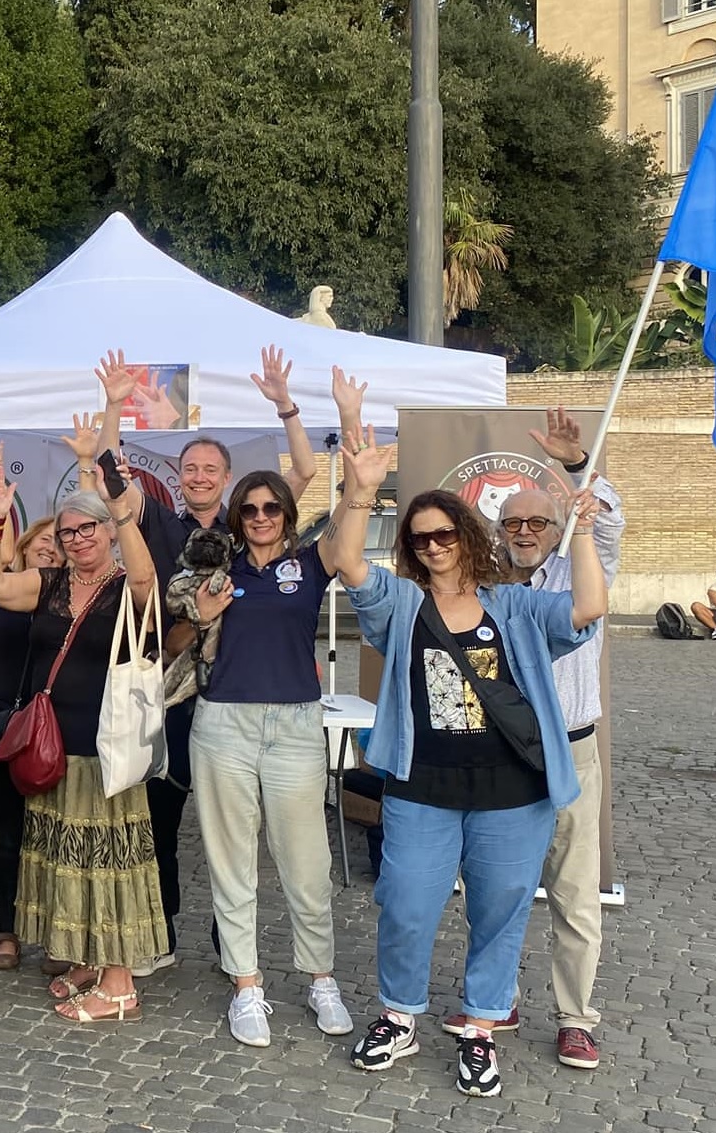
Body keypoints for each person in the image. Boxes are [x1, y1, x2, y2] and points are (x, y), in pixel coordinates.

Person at [329, 431, 607, 1098]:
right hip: (422, 787)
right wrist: (361, 492)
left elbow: (587, 608)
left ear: (466, 536)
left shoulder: (511, 605)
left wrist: (584, 532)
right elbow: (344, 560)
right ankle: (398, 1015)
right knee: (404, 904)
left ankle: (480, 1028)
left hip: (511, 792)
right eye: (419, 537)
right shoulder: (400, 603)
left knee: (501, 910)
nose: (431, 545)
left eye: (442, 534)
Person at [120, 346, 360, 969]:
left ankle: (240, 950)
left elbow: (303, 470)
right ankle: (163, 935)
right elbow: (164, 621)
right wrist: (111, 412)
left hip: (255, 701)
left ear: (228, 480)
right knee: (166, 818)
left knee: (266, 837)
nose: (200, 477)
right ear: (178, 474)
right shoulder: (163, 526)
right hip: (184, 695)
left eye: (211, 469)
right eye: (191, 468)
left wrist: (285, 406)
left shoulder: (251, 531)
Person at [184, 361, 369, 1047]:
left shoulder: (313, 561)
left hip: (293, 721)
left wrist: (325, 415)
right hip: (223, 723)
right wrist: (201, 616)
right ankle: (246, 985)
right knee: (231, 860)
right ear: (237, 519)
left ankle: (319, 977)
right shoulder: (214, 566)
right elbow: (174, 637)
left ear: (286, 518)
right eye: (249, 509)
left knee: (305, 859)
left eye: (271, 508)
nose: (260, 516)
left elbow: (347, 505)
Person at [0, 415, 167, 1024]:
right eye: (70, 530)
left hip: (107, 750)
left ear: (109, 531)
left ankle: (118, 984)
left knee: (107, 863)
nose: (79, 539)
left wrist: (120, 504)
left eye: (90, 529)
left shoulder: (128, 587)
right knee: (70, 859)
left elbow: (144, 574)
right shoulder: (52, 582)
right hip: (55, 748)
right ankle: (86, 959)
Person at [487, 407, 625, 1072]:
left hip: (569, 750)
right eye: (511, 522)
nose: (523, 531)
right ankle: (498, 996)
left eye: (537, 521)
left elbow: (611, 522)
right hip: (501, 755)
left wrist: (575, 467)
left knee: (572, 891)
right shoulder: (485, 589)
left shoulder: (580, 572)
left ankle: (575, 1017)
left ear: (557, 527)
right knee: (500, 885)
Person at [0, 504, 63, 973]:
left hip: (50, 732)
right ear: (22, 548)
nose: (50, 548)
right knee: (9, 835)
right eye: (41, 541)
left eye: (59, 544)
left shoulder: (66, 601)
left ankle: (52, 934)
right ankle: (8, 931)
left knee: (50, 835)